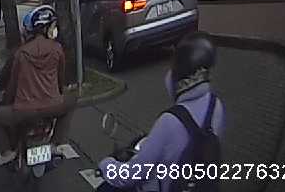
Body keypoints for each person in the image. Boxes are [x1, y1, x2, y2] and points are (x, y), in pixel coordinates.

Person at [95, 33, 225, 191]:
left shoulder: (169, 122)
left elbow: (129, 176)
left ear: (179, 76)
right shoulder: (215, 106)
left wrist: (106, 165)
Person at [0, 5, 77, 168]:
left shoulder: (21, 53)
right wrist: (59, 94)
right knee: (72, 102)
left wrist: (7, 101)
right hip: (53, 106)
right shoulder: (57, 49)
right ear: (46, 29)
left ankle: (6, 152)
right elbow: (60, 78)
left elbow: (13, 85)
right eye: (53, 27)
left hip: (23, 110)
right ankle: (56, 143)